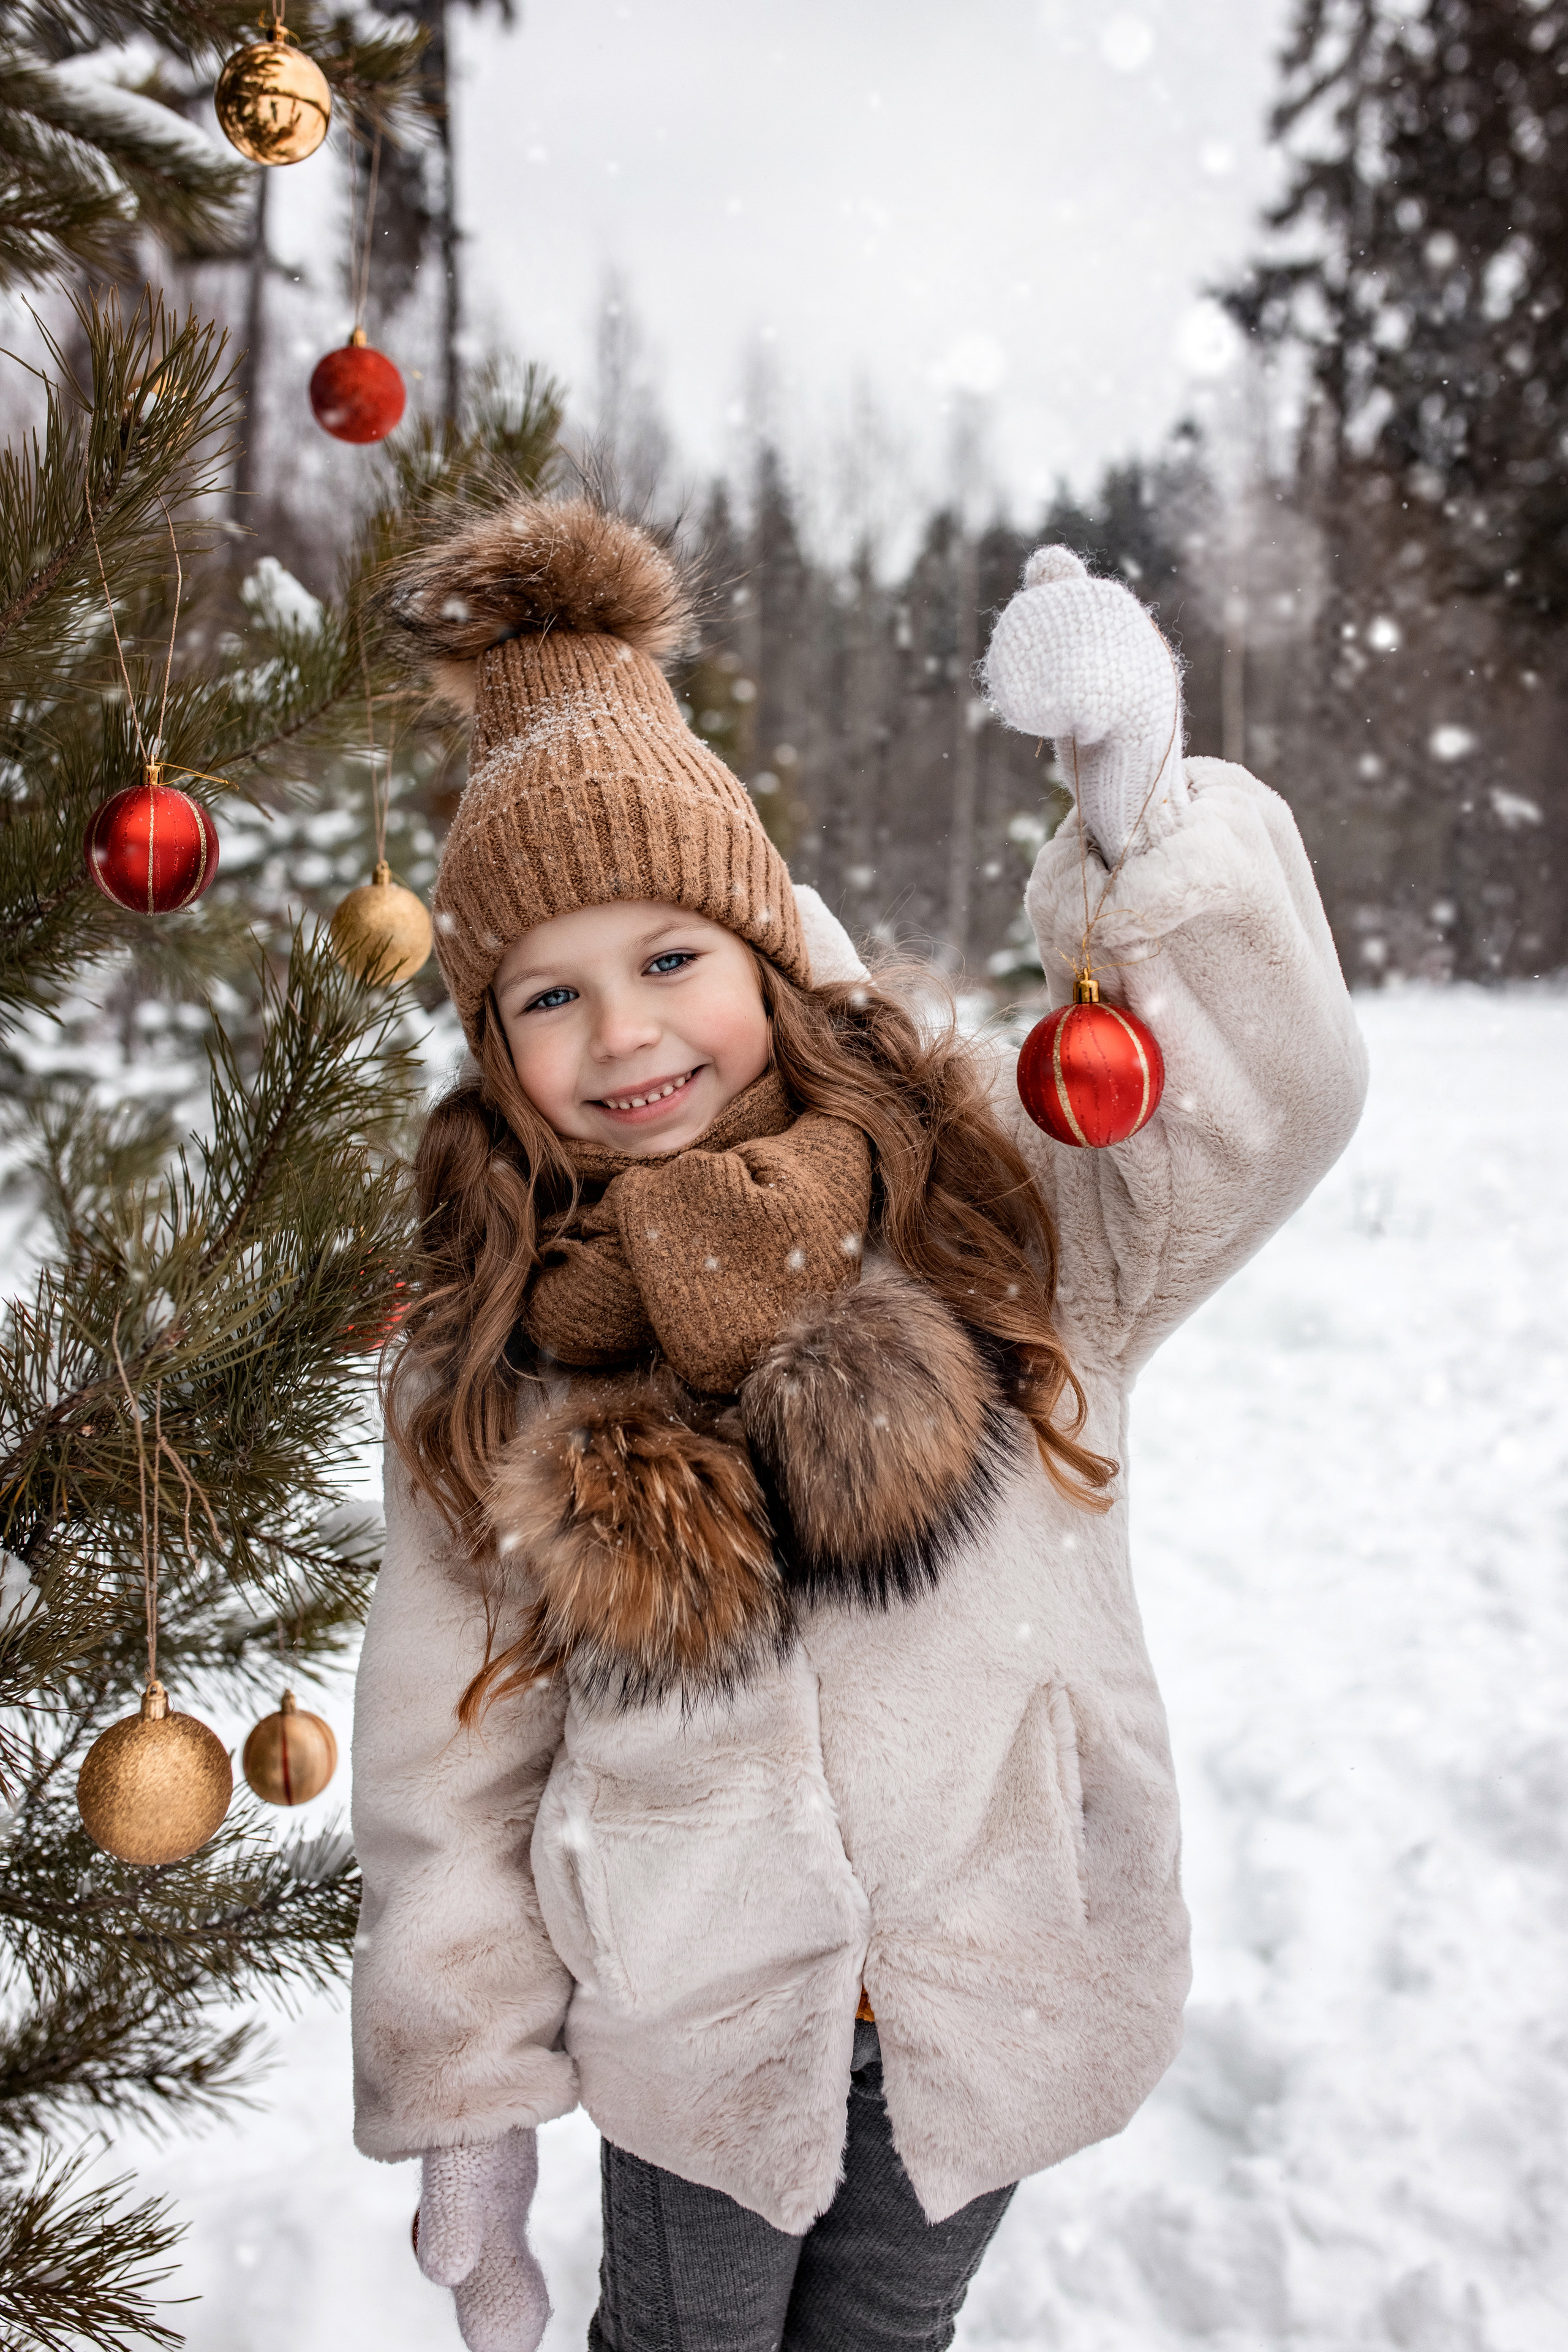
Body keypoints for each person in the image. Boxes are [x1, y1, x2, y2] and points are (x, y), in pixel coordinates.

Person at [350, 497, 1367, 2352]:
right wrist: (473, 2108)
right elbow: (447, 1766)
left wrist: (1146, 828)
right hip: (693, 2027)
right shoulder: (496, 1344)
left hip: (995, 1983)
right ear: (496, 1044)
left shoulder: (984, 1200)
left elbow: (1259, 1121)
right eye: (550, 994)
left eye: (671, 959)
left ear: (762, 955)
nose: (625, 1035)